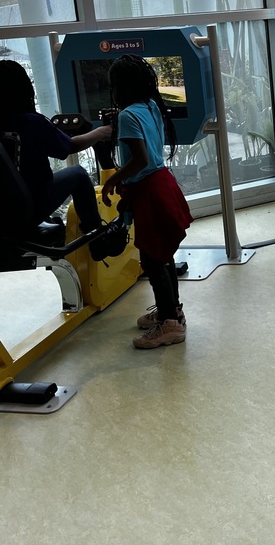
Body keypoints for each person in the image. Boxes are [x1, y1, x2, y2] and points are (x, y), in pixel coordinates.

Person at [0, 59, 126, 261]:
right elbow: (68, 147)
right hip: (26, 209)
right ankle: (97, 239)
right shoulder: (30, 122)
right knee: (78, 175)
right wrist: (101, 132)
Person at [101, 54, 193, 349]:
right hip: (162, 184)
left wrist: (113, 180)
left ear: (120, 87)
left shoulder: (128, 116)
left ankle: (169, 323)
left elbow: (140, 160)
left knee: (152, 259)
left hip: (149, 190)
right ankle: (172, 311)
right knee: (162, 254)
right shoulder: (151, 106)